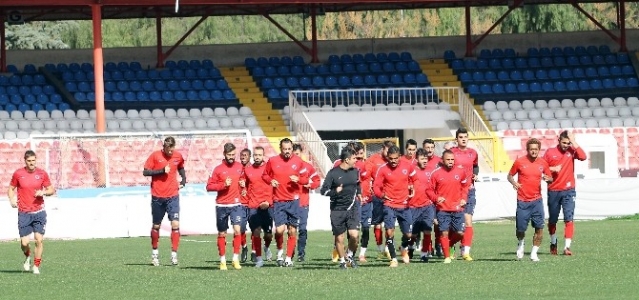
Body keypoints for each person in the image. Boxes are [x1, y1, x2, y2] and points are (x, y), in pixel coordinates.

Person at [262, 138, 309, 267]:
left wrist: (299, 179)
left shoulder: (299, 161)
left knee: (292, 231)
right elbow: (265, 175)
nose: (287, 151)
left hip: (294, 201)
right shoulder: (272, 161)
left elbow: (306, 179)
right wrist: (270, 181)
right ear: (280, 149)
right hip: (279, 200)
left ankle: (288, 258)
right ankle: (280, 252)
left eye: (289, 149)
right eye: (285, 149)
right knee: (279, 230)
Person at [8, 150, 55, 275]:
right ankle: (28, 256)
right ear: (25, 161)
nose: (31, 163)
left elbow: (51, 189)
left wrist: (43, 192)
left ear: (36, 160)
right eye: (29, 161)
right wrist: (11, 199)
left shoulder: (42, 174)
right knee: (24, 243)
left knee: (39, 240)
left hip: (39, 212)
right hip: (24, 212)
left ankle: (36, 266)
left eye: (33, 160)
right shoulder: (18, 174)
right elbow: (11, 189)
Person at [507, 138, 553, 262]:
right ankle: (521, 243)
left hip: (537, 201)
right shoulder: (520, 162)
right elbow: (510, 175)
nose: (534, 152)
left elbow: (550, 178)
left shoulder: (543, 163)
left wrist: (548, 179)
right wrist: (514, 183)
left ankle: (534, 253)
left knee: (539, 228)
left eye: (536, 149)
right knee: (520, 229)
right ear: (527, 150)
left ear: (539, 150)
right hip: (522, 201)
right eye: (531, 149)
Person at [142, 136, 186, 267]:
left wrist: (183, 179)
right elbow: (145, 172)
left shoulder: (178, 156)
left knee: (175, 224)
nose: (171, 152)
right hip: (157, 196)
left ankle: (174, 255)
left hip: (173, 196)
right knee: (156, 226)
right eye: (169, 149)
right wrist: (161, 171)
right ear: (164, 147)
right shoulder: (155, 156)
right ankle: (155, 253)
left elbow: (181, 167)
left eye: (173, 149)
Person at [543, 130, 587, 255]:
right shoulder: (550, 152)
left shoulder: (572, 151)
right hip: (554, 190)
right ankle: (553, 242)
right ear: (558, 140)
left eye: (568, 143)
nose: (566, 145)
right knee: (553, 220)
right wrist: (552, 169)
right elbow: (540, 167)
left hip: (569, 190)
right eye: (564, 143)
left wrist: (574, 142)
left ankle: (567, 247)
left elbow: (583, 157)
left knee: (569, 218)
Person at [373, 145, 415, 267]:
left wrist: (412, 186)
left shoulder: (407, 166)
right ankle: (394, 259)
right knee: (389, 232)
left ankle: (403, 247)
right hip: (389, 204)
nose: (393, 161)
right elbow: (376, 186)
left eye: (395, 158)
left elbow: (414, 179)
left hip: (404, 205)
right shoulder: (382, 169)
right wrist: (381, 195)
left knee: (409, 235)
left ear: (399, 157)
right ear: (388, 158)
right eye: (391, 158)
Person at [321, 147, 362, 269]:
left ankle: (349, 255)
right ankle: (343, 261)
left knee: (354, 235)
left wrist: (359, 193)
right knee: (339, 238)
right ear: (347, 160)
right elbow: (323, 191)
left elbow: (357, 183)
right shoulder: (333, 173)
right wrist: (335, 191)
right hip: (337, 210)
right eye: (354, 158)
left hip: (352, 208)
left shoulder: (355, 171)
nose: (357, 160)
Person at [426, 150, 470, 264]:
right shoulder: (436, 173)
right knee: (444, 232)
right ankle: (447, 257)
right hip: (443, 209)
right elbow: (429, 190)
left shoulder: (461, 172)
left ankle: (448, 244)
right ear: (442, 160)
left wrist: (463, 198)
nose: (450, 162)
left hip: (457, 208)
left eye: (452, 159)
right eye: (448, 159)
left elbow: (465, 186)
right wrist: (436, 198)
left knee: (460, 233)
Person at [206, 142, 245, 270]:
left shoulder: (240, 167)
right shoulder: (218, 169)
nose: (232, 157)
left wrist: (244, 186)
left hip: (236, 204)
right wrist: (223, 185)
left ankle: (235, 259)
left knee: (238, 230)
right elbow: (209, 187)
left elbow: (244, 181)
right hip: (221, 205)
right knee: (222, 233)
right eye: (229, 155)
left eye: (233, 154)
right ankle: (222, 260)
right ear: (224, 154)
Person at [450, 128, 478, 261]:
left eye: (465, 136)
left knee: (468, 220)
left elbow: (476, 165)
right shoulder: (451, 153)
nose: (463, 139)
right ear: (456, 139)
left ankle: (465, 251)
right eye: (460, 137)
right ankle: (449, 244)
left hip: (469, 190)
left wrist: (475, 174)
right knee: (455, 225)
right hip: (455, 192)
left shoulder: (473, 153)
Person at [242, 146, 273, 267]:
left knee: (268, 234)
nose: (257, 157)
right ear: (252, 156)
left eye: (259, 155)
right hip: (253, 205)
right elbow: (242, 182)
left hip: (267, 206)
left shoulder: (269, 169)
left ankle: (266, 247)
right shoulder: (248, 170)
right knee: (256, 231)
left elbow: (275, 185)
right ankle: (259, 259)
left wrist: (269, 202)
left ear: (263, 155)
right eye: (255, 155)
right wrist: (244, 190)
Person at [365, 140, 395, 259]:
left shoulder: (394, 160)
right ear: (383, 149)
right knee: (377, 224)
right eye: (388, 151)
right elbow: (366, 175)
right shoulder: (373, 159)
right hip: (377, 196)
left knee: (389, 224)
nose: (389, 154)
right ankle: (380, 249)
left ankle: (388, 248)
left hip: (390, 196)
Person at [292, 143, 321, 262]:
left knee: (302, 229)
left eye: (297, 154)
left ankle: (301, 253)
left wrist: (311, 185)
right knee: (291, 230)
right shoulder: (287, 167)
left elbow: (317, 180)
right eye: (294, 154)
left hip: (303, 203)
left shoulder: (307, 167)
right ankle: (290, 253)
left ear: (301, 153)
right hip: (289, 203)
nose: (295, 156)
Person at [408, 148, 437, 262]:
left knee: (427, 230)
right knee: (413, 234)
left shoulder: (432, 171)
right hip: (413, 207)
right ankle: (410, 248)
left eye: (426, 158)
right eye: (422, 158)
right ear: (416, 159)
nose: (425, 161)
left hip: (427, 206)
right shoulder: (411, 171)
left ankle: (424, 254)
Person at [238, 148, 252, 263]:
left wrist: (247, 185)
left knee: (255, 229)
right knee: (241, 228)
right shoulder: (237, 169)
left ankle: (254, 251)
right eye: (241, 155)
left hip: (252, 203)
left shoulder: (254, 169)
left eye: (245, 155)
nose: (243, 157)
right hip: (241, 204)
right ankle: (244, 247)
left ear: (250, 157)